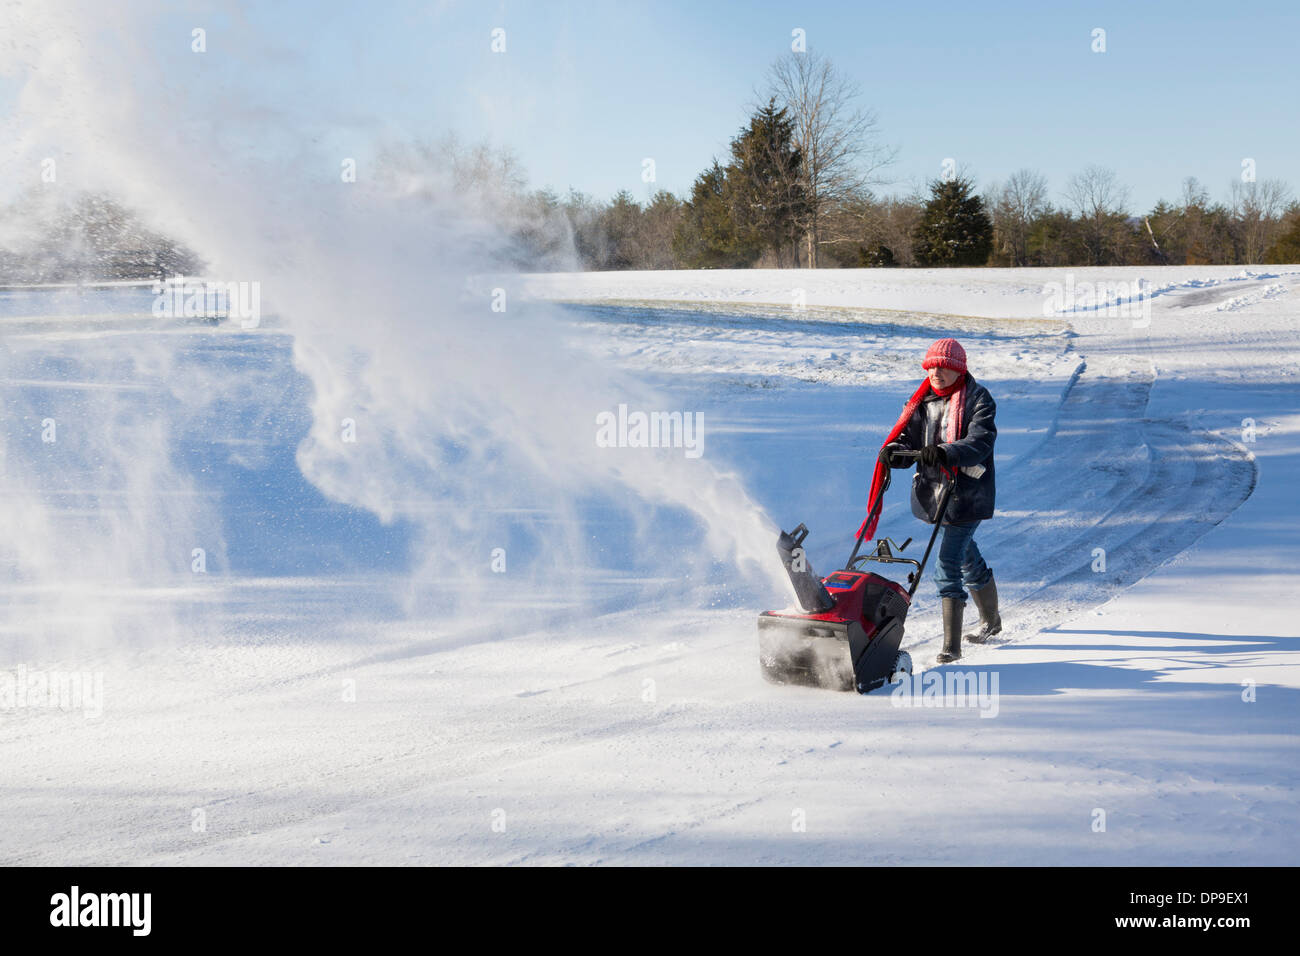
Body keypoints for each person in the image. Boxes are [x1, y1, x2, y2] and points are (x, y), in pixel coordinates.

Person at [870, 338, 1001, 662]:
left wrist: (945, 451)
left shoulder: (979, 399)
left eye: (943, 367)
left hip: (967, 494)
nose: (936, 373)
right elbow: (908, 436)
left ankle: (951, 648)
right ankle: (991, 620)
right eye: (931, 367)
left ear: (958, 369)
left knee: (947, 564)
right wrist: (895, 452)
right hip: (934, 494)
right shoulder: (922, 401)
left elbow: (979, 441)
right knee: (965, 556)